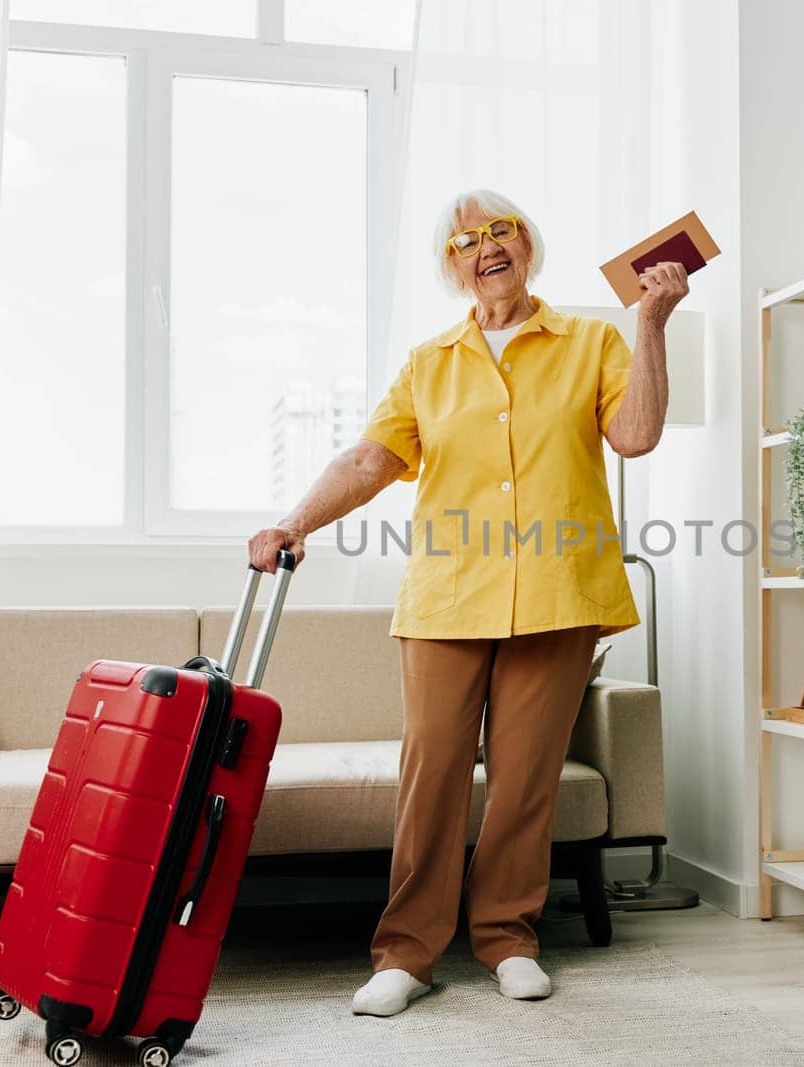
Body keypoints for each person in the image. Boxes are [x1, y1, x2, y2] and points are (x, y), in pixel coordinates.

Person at [247, 189, 688, 1016]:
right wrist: (294, 520)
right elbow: (371, 458)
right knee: (434, 773)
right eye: (465, 241)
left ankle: (508, 937)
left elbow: (635, 435)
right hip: (449, 598)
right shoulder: (429, 363)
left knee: (525, 780)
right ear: (451, 268)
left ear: (528, 244)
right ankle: (406, 952)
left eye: (501, 231)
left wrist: (655, 325)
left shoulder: (590, 341)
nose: (486, 247)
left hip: (558, 595)